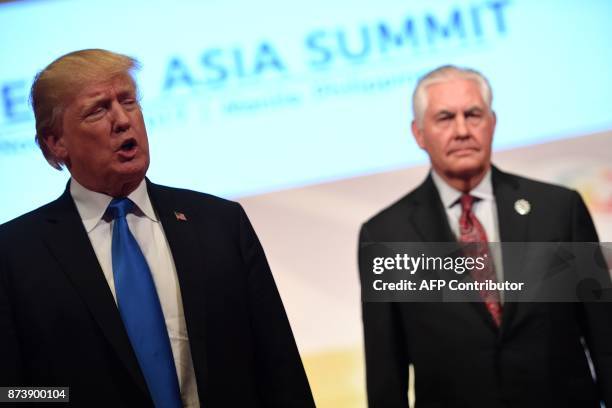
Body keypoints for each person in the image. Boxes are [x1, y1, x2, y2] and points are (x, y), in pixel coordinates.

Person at [0, 49, 315, 407]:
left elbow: (280, 369)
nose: (122, 120)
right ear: (55, 143)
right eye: (98, 110)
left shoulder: (220, 224)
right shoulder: (14, 256)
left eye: (128, 101)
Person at [358, 65, 612, 407]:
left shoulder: (559, 210)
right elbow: (386, 375)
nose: (462, 130)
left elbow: (604, 335)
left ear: (492, 122)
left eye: (473, 114)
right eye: (445, 118)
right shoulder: (385, 235)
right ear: (419, 133)